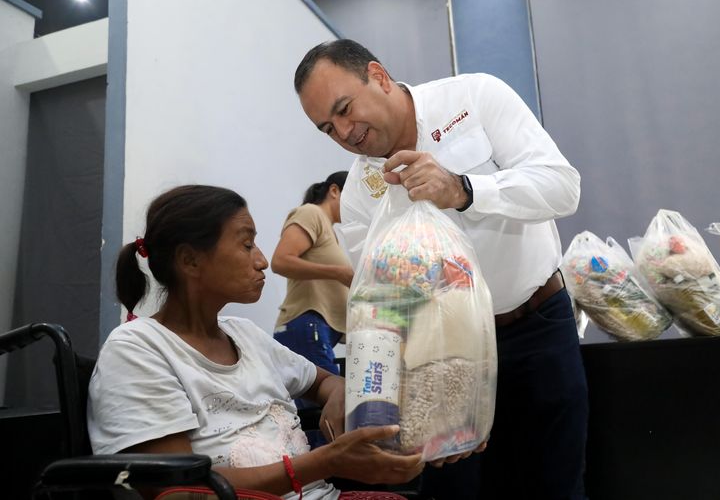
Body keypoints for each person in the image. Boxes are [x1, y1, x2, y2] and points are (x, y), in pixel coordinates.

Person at [294, 40, 589, 499]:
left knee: (554, 486)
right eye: (327, 127)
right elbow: (383, 312)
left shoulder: (473, 99)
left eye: (346, 109)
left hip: (534, 327)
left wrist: (465, 189)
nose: (345, 132)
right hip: (441, 364)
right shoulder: (357, 196)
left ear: (379, 76)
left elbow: (562, 187)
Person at [87, 184, 423, 499]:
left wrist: (338, 393)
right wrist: (328, 461)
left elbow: (325, 382)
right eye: (247, 245)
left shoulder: (244, 334)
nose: (262, 260)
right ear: (190, 260)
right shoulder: (138, 349)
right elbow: (179, 489)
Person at [271, 171, 352, 378]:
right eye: (353, 197)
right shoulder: (311, 213)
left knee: (323, 406)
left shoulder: (331, 231)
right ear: (334, 191)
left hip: (318, 331)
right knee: (333, 403)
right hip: (307, 325)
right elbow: (281, 261)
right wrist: (337, 273)